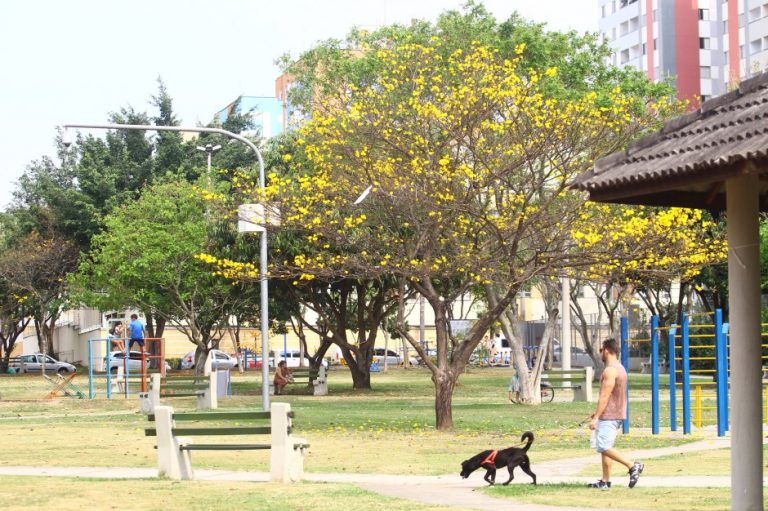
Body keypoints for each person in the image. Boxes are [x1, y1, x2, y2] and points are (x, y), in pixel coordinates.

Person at [588, 338, 644, 490]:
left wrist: (597, 417)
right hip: (614, 413)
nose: (601, 353)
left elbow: (605, 395)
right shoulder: (621, 368)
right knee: (606, 448)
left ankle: (632, 465)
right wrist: (597, 412)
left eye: (601, 350)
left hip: (610, 416)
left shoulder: (610, 370)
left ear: (606, 350)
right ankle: (605, 482)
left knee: (603, 446)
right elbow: (612, 395)